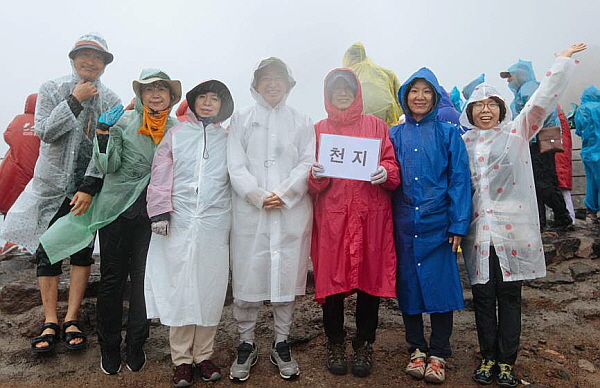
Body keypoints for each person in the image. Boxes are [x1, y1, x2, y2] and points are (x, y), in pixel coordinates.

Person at [41, 69, 181, 374]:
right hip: (117, 210)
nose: (156, 94)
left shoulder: (176, 128)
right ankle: (109, 345)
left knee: (144, 281)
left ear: (171, 96)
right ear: (140, 95)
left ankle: (136, 343)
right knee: (112, 280)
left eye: (162, 89)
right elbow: (108, 165)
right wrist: (103, 135)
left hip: (154, 215)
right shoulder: (122, 121)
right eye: (149, 89)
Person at [461, 44, 585, 387]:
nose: (485, 111)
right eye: (477, 106)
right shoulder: (463, 144)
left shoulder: (516, 134)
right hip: (478, 234)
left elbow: (540, 101)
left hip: (511, 231)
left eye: (491, 105)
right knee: (484, 297)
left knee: (510, 296)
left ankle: (506, 361)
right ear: (468, 112)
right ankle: (487, 357)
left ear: (501, 110)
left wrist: (560, 62)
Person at [0, 33, 120, 354]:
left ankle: (72, 318)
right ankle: (50, 319)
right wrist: (74, 100)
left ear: (105, 64)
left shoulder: (111, 100)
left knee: (82, 253)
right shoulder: (52, 89)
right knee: (47, 252)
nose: (91, 62)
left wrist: (88, 187)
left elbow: (105, 148)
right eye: (84, 56)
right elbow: (45, 132)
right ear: (73, 58)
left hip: (86, 192)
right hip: (50, 189)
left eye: (98, 58)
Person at [227, 57, 314, 382]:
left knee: (285, 277)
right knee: (248, 276)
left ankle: (281, 341)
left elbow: (308, 162)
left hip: (290, 212)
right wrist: (257, 195)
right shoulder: (242, 119)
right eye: (267, 79)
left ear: (288, 83)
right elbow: (235, 164)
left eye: (279, 78)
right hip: (252, 213)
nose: (273, 83)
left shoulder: (302, 121)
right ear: (256, 84)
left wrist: (287, 193)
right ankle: (246, 342)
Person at [309, 68, 400, 377]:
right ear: (328, 95)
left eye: (347, 89)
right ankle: (335, 341)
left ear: (357, 92)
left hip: (369, 216)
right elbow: (308, 177)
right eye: (336, 91)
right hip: (333, 218)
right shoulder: (319, 129)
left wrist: (386, 172)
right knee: (331, 281)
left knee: (369, 281)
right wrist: (316, 176)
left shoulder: (376, 126)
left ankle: (364, 344)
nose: (342, 95)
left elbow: (392, 165)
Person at [144, 80, 234, 387]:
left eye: (215, 99)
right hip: (179, 220)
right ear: (193, 102)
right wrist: (159, 212)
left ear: (223, 105)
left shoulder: (228, 139)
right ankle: (181, 360)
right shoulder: (176, 134)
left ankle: (204, 356)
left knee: (209, 287)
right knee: (180, 285)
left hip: (214, 221)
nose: (208, 103)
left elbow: (236, 178)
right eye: (203, 98)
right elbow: (160, 174)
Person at [389, 67, 471, 384]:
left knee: (440, 286)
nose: (420, 97)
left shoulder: (449, 134)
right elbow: (387, 175)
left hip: (439, 223)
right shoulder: (394, 135)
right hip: (404, 221)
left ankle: (438, 352)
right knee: (408, 284)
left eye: (426, 91)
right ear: (405, 97)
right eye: (414, 91)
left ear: (435, 97)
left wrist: (458, 223)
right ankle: (416, 349)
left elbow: (460, 181)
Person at [501, 59, 572, 230]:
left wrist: (524, 133)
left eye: (510, 77)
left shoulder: (528, 88)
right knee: (537, 181)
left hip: (536, 141)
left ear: (520, 75)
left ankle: (563, 217)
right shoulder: (526, 88)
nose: (509, 81)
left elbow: (537, 112)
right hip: (534, 140)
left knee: (542, 181)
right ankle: (540, 221)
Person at [0, 93, 40, 257]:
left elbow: (7, 136)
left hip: (12, 172)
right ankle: (27, 244)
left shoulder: (18, 120)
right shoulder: (45, 123)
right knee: (33, 209)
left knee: (11, 207)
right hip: (35, 173)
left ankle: (8, 242)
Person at [342, 42, 402, 127]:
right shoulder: (386, 73)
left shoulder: (346, 76)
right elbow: (401, 99)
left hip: (358, 127)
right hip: (388, 123)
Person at [575, 85, 600, 224]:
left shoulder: (580, 109)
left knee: (591, 182)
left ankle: (591, 212)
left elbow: (578, 130)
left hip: (588, 151)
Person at [556, 105, 576, 223]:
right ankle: (570, 217)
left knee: (562, 189)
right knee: (564, 189)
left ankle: (569, 218)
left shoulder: (555, 118)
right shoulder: (562, 118)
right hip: (563, 156)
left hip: (558, 156)